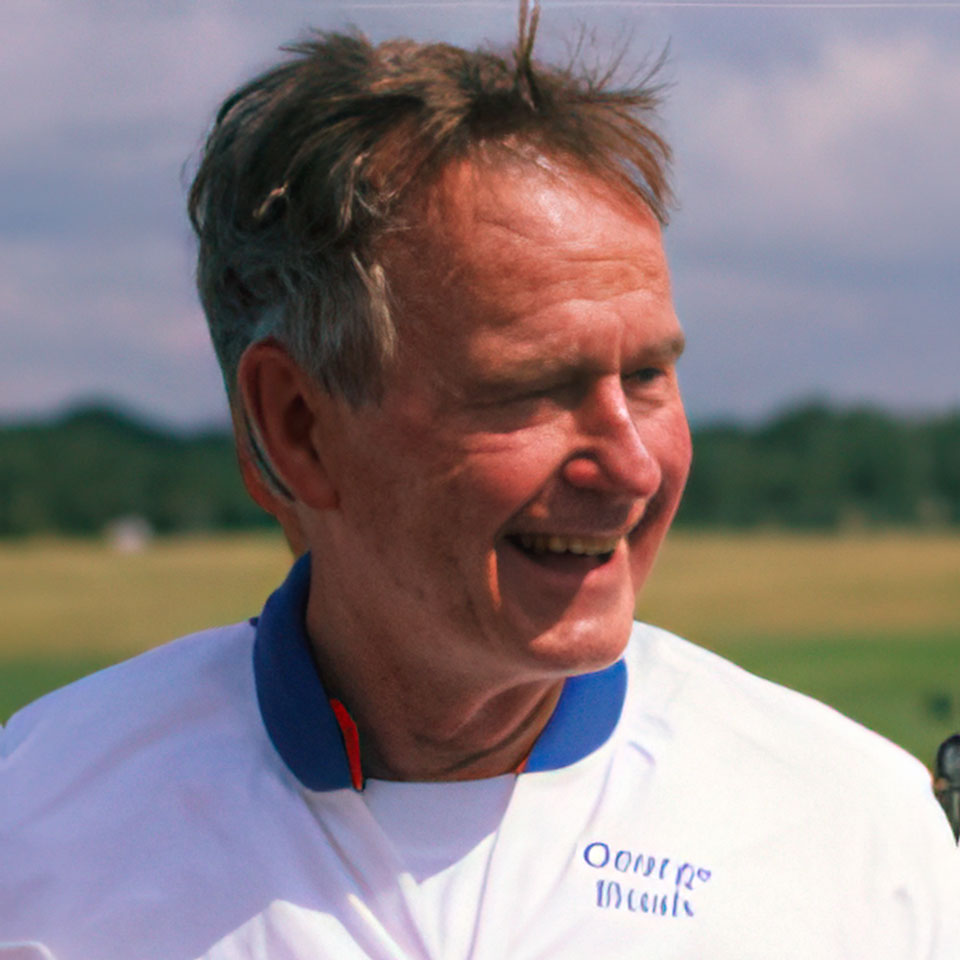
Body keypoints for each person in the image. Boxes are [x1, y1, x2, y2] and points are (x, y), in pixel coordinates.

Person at [2, 7, 958, 958]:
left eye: (647, 378)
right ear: (297, 428)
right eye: (534, 388)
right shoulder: (38, 831)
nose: (631, 465)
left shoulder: (856, 833)